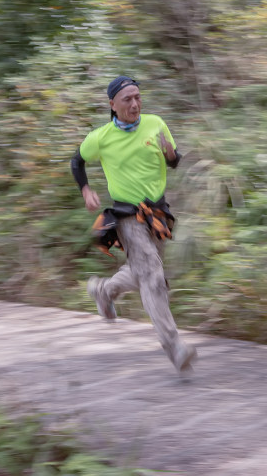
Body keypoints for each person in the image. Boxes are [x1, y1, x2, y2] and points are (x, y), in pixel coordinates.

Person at [71, 75, 197, 375]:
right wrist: (86, 189)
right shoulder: (101, 137)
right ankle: (174, 347)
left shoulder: (156, 123)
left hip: (157, 214)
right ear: (112, 105)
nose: (135, 104)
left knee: (143, 271)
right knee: (153, 276)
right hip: (126, 216)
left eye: (138, 97)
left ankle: (104, 291)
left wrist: (171, 155)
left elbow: (174, 160)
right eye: (127, 99)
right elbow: (77, 161)